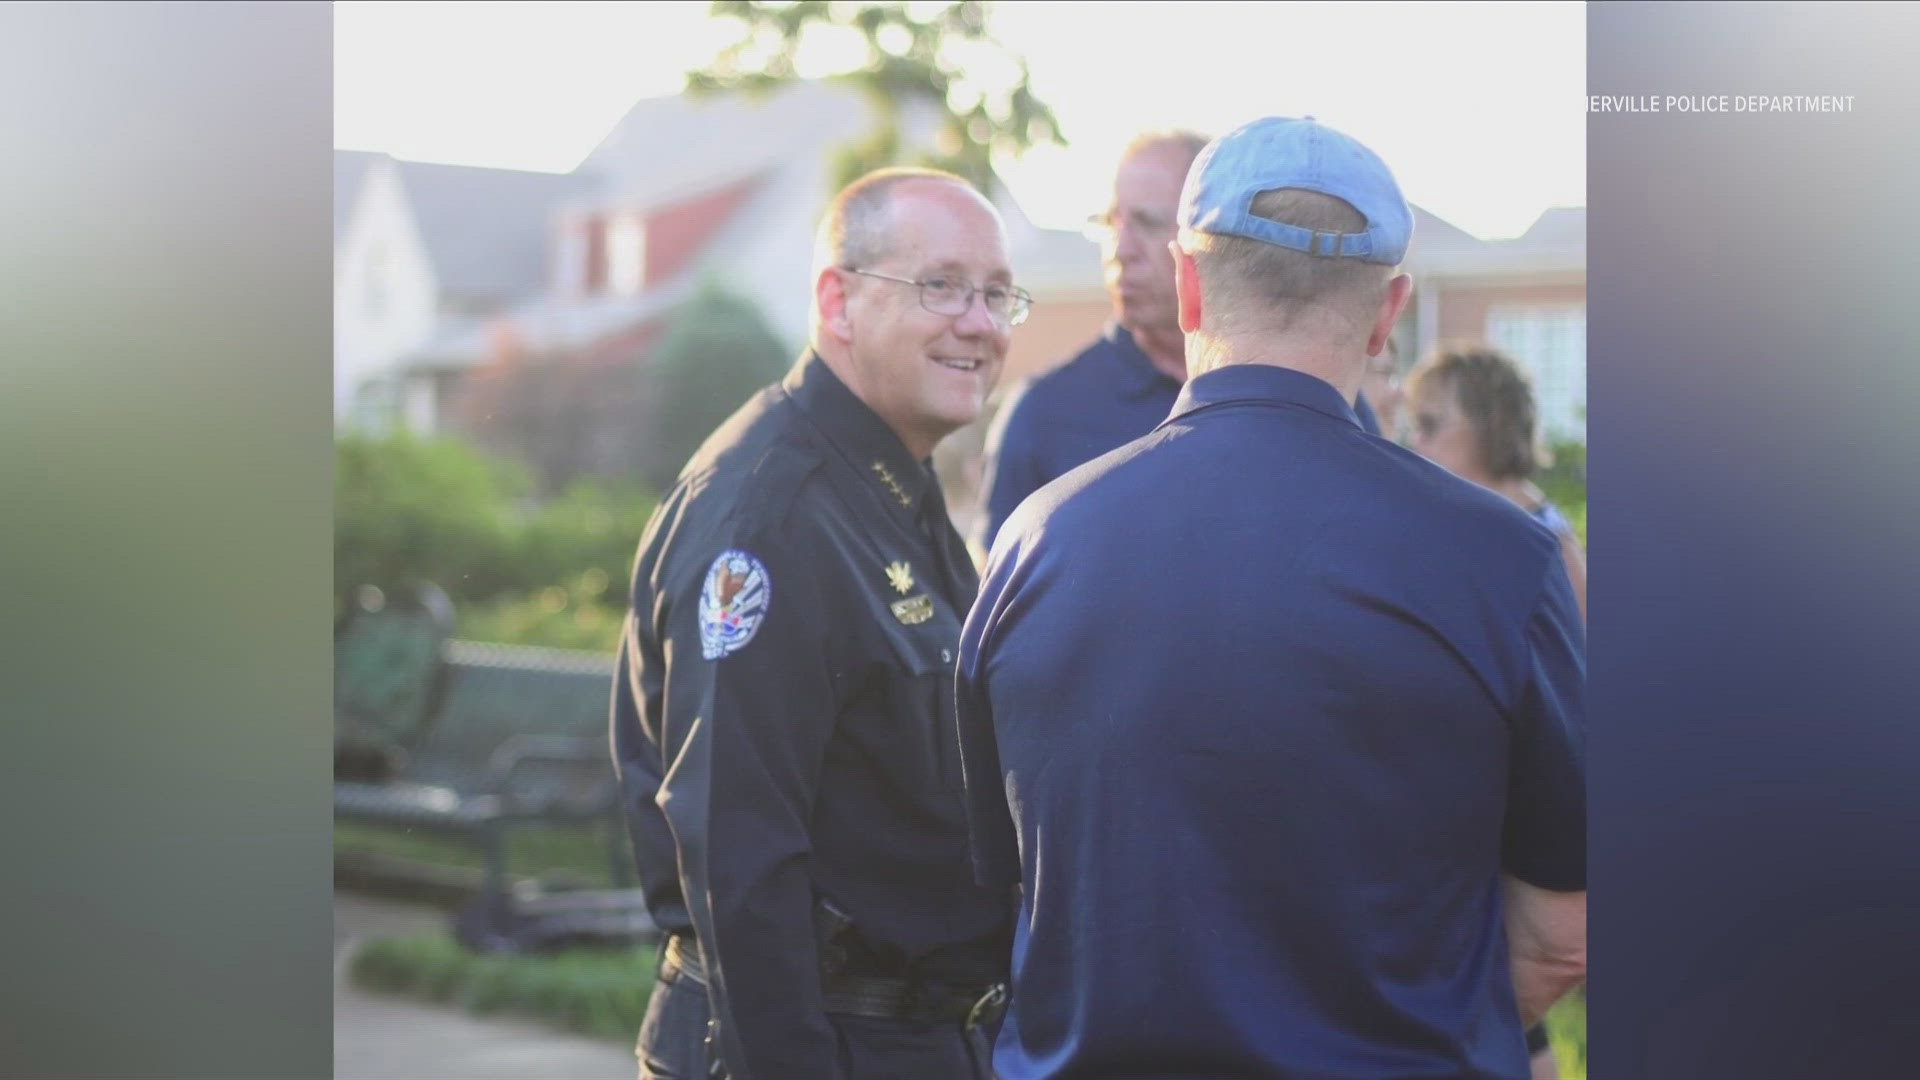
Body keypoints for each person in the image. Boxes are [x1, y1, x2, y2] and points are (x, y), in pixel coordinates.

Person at [955, 117, 1588, 1079]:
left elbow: (1000, 884)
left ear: (1191, 284)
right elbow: (1557, 935)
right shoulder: (1504, 560)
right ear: (1388, 314)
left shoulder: (1034, 544)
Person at [612, 167, 1025, 1080]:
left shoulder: (885, 489)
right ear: (838, 301)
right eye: (943, 285)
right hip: (810, 1042)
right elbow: (738, 856)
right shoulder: (771, 518)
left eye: (998, 295)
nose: (981, 323)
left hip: (911, 1037)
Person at [972, 129, 1385, 555]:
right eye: (1110, 223)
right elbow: (999, 589)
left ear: (1208, 242)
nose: (1120, 248)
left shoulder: (1314, 399)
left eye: (1147, 222)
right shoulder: (1044, 414)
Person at [1406, 344, 1588, 621]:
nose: (1415, 440)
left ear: (1488, 425)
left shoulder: (1548, 542)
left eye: (1429, 424)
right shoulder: (1467, 523)